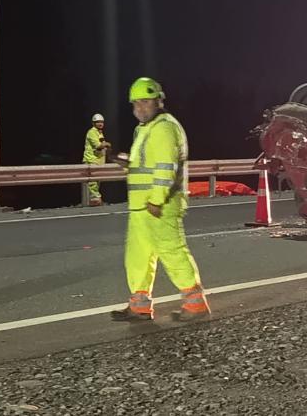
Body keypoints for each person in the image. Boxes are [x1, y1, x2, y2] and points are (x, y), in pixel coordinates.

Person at [110, 77, 211, 322]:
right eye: (136, 103)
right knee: (138, 256)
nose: (140, 108)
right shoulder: (145, 129)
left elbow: (166, 167)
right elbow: (148, 165)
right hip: (141, 207)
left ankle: (195, 304)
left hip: (160, 205)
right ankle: (139, 305)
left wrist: (156, 199)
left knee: (172, 251)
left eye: (146, 101)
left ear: (159, 101)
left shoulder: (165, 127)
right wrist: (128, 164)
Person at [82, 113, 111, 206]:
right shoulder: (92, 132)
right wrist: (107, 144)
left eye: (101, 122)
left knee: (96, 182)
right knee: (92, 183)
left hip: (98, 161)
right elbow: (98, 146)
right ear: (93, 123)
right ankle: (94, 200)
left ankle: (94, 200)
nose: (100, 124)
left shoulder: (99, 133)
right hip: (91, 160)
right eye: (98, 122)